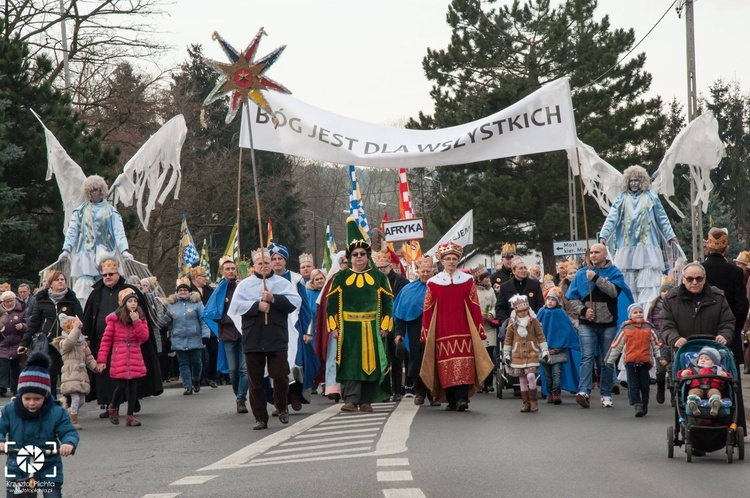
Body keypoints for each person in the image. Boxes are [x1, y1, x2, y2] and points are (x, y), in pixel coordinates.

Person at [227, 248, 301, 430]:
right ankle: (260, 417)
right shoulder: (244, 285)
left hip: (276, 336)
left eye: (267, 263)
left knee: (280, 375)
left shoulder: (283, 283)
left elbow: (293, 304)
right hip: (253, 338)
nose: (264, 266)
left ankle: (282, 406)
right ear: (254, 266)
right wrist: (256, 306)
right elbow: (235, 308)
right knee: (256, 381)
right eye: (260, 263)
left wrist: (273, 298)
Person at [326, 219, 394, 413]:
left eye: (362, 254)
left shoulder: (379, 277)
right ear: (350, 256)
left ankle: (366, 401)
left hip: (372, 326)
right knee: (351, 363)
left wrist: (385, 325)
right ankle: (351, 400)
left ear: (367, 256)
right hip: (349, 328)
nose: (359, 258)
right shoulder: (340, 277)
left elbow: (389, 302)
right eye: (355, 255)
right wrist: (334, 326)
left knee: (371, 364)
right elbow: (331, 305)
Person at [82, 259, 162, 419]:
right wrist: (87, 335)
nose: (107, 277)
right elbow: (90, 315)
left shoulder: (130, 291)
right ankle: (112, 404)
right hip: (103, 340)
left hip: (130, 341)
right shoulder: (96, 292)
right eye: (104, 275)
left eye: (111, 274)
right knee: (107, 376)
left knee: (130, 373)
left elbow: (141, 313)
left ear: (118, 274)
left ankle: (132, 401)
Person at [420, 242, 494, 412]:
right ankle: (451, 399)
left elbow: (475, 305)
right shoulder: (433, 283)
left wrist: (479, 329)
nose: (451, 262)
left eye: (454, 259)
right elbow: (428, 309)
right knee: (445, 367)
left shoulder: (467, 281)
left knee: (464, 365)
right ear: (442, 261)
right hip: (442, 330)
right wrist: (425, 332)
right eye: (448, 259)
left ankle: (462, 398)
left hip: (464, 330)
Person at [0, 352, 79, 497]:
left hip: (48, 465)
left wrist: (68, 443)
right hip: (18, 465)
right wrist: (1, 441)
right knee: (16, 494)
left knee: (52, 493)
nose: (31, 403)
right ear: (19, 395)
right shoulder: (10, 411)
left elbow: (68, 431)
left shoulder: (56, 412)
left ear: (46, 396)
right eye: (27, 398)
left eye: (37, 398)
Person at [599, 165, 679, 306]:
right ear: (627, 182)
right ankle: (633, 312)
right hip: (627, 246)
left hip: (647, 246)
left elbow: (662, 217)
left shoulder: (651, 196)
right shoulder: (621, 198)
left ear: (642, 181)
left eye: (637, 180)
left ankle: (649, 311)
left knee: (649, 279)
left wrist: (670, 235)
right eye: (631, 181)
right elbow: (612, 218)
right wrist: (604, 235)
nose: (634, 183)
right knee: (628, 279)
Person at [565, 243, 633, 409]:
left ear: (604, 254)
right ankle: (584, 392)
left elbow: (614, 292)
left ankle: (606, 394)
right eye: (591, 253)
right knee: (587, 357)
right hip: (587, 323)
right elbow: (571, 298)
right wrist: (582, 311)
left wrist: (595, 279)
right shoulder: (581, 273)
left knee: (607, 360)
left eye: (597, 252)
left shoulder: (615, 272)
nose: (593, 255)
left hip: (608, 323)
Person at [58, 175, 134, 306]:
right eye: (91, 191)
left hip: (106, 254)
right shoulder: (80, 211)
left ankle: (106, 310)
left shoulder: (111, 211)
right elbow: (72, 232)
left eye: (97, 191)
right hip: (85, 254)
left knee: (106, 282)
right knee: (84, 284)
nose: (94, 194)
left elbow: (119, 232)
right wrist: (66, 249)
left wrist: (124, 250)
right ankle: (84, 312)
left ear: (102, 192)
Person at [702, 227, 749, 427]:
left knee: (702, 376)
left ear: (707, 246)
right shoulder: (735, 272)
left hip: (702, 333)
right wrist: (733, 329)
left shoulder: (698, 271)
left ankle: (704, 420)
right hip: (728, 335)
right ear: (726, 249)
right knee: (732, 378)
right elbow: (741, 305)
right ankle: (736, 423)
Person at [18, 271, 83, 399]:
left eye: (62, 279)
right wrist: (24, 343)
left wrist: (84, 340)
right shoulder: (42, 300)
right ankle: (51, 402)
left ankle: (69, 405)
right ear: (50, 284)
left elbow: (80, 320)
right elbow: (34, 323)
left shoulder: (71, 300)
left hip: (68, 344)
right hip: (49, 343)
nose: (60, 281)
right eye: (57, 279)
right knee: (51, 375)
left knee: (68, 375)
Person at [202, 257, 250, 414]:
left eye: (233, 269)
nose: (231, 271)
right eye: (227, 269)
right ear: (222, 272)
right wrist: (231, 319)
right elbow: (212, 313)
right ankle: (239, 394)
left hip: (244, 333)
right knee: (233, 371)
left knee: (244, 369)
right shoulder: (219, 290)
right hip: (228, 334)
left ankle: (241, 399)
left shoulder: (242, 286)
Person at [96, 288, 150, 427]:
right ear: (124, 303)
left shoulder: (141, 317)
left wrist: (137, 322)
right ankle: (113, 406)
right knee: (121, 385)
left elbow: (144, 337)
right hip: (120, 354)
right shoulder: (115, 320)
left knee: (133, 386)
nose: (133, 304)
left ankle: (130, 416)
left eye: (135, 301)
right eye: (130, 301)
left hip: (134, 353)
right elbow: (106, 341)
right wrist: (101, 360)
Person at [394, 256, 437, 406]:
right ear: (417, 271)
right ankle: (420, 392)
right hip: (415, 331)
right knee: (417, 360)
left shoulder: (439, 287)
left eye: (428, 271)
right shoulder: (408, 290)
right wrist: (399, 333)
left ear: (433, 271)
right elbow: (400, 313)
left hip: (436, 329)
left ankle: (433, 393)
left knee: (434, 361)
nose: (425, 274)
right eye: (422, 271)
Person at [606, 303, 661, 417]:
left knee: (645, 385)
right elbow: (617, 345)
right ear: (630, 315)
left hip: (645, 362)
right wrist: (610, 360)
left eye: (640, 312)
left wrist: (660, 357)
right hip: (630, 362)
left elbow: (656, 344)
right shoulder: (626, 329)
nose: (638, 314)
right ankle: (637, 404)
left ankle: (644, 403)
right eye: (635, 312)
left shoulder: (648, 328)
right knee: (633, 385)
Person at [52, 315, 102, 430]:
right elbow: (69, 343)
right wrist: (75, 329)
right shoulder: (62, 341)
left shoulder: (82, 342)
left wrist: (95, 366)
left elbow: (88, 357)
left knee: (82, 399)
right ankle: (73, 421)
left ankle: (68, 411)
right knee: (75, 398)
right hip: (70, 373)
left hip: (81, 373)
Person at [373, 248, 409, 401]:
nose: (381, 270)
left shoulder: (401, 281)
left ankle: (398, 389)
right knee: (382, 358)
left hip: (395, 323)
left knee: (396, 357)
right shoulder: (373, 280)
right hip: (377, 324)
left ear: (390, 266)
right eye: (378, 268)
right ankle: (384, 391)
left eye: (384, 267)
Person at [503, 294, 549, 413]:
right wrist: (506, 354)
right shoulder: (512, 323)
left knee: (530, 376)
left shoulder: (533, 321)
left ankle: (533, 401)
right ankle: (525, 403)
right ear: (516, 311)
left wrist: (544, 350)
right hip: (517, 354)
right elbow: (508, 339)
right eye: (520, 311)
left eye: (525, 310)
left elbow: (540, 336)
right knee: (522, 379)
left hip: (531, 352)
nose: (523, 313)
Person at [536, 286, 581, 405]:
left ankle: (556, 392)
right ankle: (550, 392)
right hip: (544, 351)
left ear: (558, 301)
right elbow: (535, 330)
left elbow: (566, 333)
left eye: (553, 299)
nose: (550, 301)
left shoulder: (561, 313)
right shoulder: (541, 312)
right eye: (548, 299)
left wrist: (556, 349)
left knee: (557, 373)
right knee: (547, 376)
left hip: (558, 352)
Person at [313, 251, 347, 402]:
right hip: (335, 325)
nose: (345, 266)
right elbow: (327, 305)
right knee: (333, 355)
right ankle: (333, 387)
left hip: (352, 324)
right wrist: (333, 325)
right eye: (343, 263)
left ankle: (349, 387)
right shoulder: (333, 281)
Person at [167, 279, 211, 396]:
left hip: (195, 338)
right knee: (183, 363)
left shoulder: (197, 303)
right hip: (179, 338)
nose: (182, 292)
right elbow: (165, 321)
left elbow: (203, 320)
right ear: (177, 292)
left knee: (197, 362)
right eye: (180, 290)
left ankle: (196, 379)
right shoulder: (172, 305)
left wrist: (206, 335)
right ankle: (187, 385)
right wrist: (164, 315)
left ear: (189, 291)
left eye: (185, 290)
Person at [677, 346, 732, 417]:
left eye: (707, 359)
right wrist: (683, 373)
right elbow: (681, 376)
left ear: (714, 362)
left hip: (713, 388)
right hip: (696, 387)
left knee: (715, 392)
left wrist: (725, 375)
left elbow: (729, 379)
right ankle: (693, 402)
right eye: (701, 358)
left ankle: (715, 402)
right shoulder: (692, 369)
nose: (703, 360)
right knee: (694, 392)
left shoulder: (718, 370)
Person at [189, 266, 218, 389]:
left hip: (210, 325)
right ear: (196, 277)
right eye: (204, 276)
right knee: (198, 355)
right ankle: (199, 378)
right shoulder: (188, 289)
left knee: (214, 351)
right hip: (195, 326)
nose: (206, 278)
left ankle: (212, 377)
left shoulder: (210, 290)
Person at [648, 276, 675, 404]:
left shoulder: (675, 306)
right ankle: (660, 387)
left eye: (668, 291)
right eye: (664, 291)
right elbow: (650, 324)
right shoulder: (654, 308)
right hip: (659, 342)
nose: (666, 293)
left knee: (672, 369)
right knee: (661, 369)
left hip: (672, 341)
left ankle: (673, 393)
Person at [470, 264, 498, 393]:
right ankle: (478, 382)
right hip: (475, 327)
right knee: (478, 355)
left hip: (488, 326)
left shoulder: (490, 290)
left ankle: (488, 383)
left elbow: (494, 304)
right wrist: (477, 316)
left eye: (488, 277)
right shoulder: (471, 290)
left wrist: (491, 314)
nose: (488, 279)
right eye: (485, 277)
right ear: (478, 279)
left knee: (489, 354)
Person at [495, 257, 544, 326]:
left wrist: (533, 318)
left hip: (532, 324)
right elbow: (500, 308)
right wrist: (506, 322)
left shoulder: (534, 284)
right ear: (514, 271)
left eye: (525, 268)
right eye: (520, 268)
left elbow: (540, 304)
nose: (524, 270)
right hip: (512, 326)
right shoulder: (505, 287)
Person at [0, 291, 26, 397]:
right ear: (3, 302)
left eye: (11, 301)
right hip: (2, 344)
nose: (10, 303)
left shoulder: (21, 309)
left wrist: (23, 326)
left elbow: (29, 322)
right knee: (3, 367)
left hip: (17, 344)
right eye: (7, 301)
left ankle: (16, 389)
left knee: (16, 368)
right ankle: (2, 388)